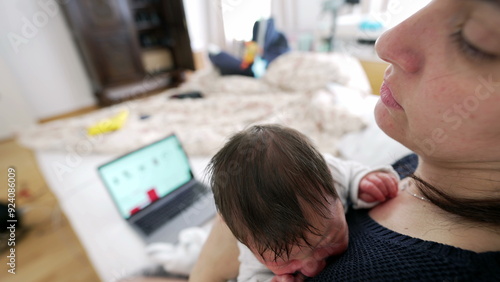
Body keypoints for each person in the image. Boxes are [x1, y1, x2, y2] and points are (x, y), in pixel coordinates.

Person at [189, 0, 500, 281]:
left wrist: (359, 181)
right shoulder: (425, 162)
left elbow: (343, 172)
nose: (386, 43)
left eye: (476, 37)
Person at [206, 124, 399, 281]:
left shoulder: (332, 174)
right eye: (286, 261)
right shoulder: (254, 247)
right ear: (249, 245)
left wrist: (362, 182)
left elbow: (350, 172)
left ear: (331, 183)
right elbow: (250, 276)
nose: (312, 269)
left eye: (327, 241)